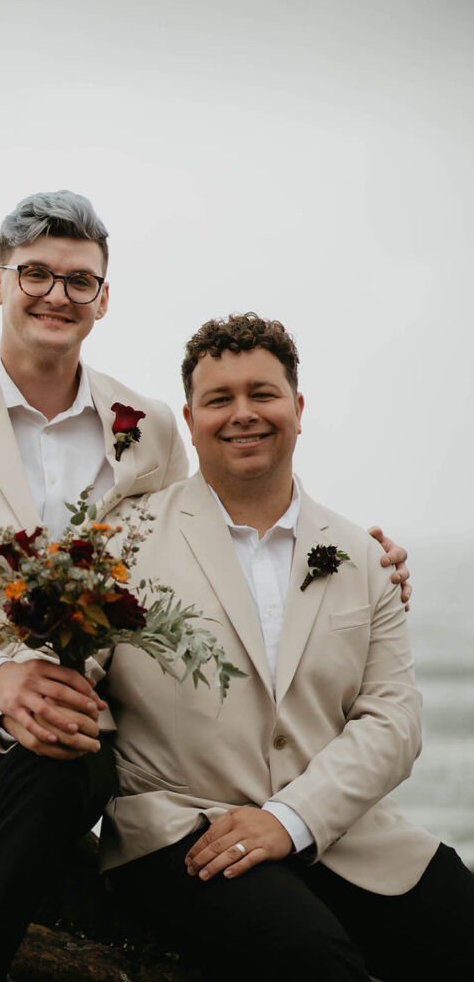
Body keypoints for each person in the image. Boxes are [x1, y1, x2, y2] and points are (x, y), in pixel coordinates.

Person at [0, 198, 408, 982]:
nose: (56, 295)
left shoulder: (146, 423)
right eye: (35, 275)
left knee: (56, 779)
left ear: (103, 298)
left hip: (87, 728)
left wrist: (360, 555)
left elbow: (212, 535)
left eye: (79, 281)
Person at [93, 314, 474, 982]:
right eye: (219, 399)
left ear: (297, 408)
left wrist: (291, 817)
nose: (242, 414)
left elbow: (393, 718)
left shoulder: (360, 553)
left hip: (344, 834)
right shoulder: (120, 542)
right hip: (183, 837)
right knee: (315, 962)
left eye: (261, 394)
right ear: (189, 419)